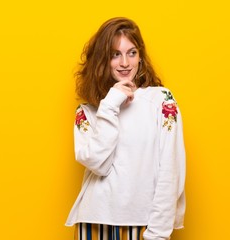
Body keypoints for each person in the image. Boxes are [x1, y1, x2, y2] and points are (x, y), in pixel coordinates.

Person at [65, 17, 186, 240]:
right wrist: (110, 104)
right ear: (102, 59)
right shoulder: (88, 110)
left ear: (140, 57)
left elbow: (171, 170)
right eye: (115, 54)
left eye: (132, 53)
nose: (124, 63)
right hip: (93, 223)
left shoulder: (161, 101)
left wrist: (158, 233)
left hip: (142, 224)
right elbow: (98, 164)